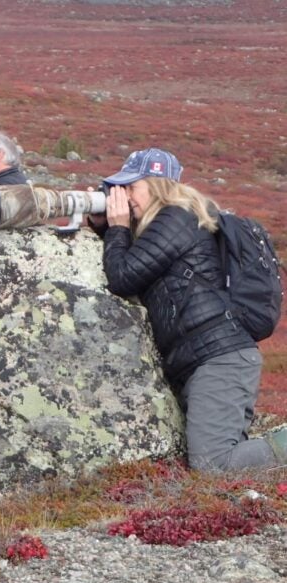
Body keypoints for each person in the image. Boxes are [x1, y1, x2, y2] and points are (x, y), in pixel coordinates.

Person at [90, 146, 287, 471]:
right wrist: (105, 227)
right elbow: (141, 262)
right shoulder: (167, 225)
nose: (124, 195)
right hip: (208, 361)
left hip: (219, 360)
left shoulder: (176, 218)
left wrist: (117, 228)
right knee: (225, 463)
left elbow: (123, 276)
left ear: (157, 185)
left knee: (214, 466)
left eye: (131, 187)